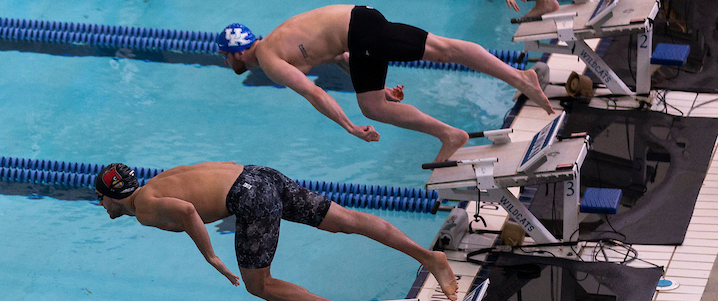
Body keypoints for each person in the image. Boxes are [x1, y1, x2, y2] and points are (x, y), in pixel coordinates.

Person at [93, 161, 458, 301]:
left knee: (259, 285)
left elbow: (189, 212)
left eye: (100, 199)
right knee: (347, 220)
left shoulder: (144, 208)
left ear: (111, 196)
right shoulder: (158, 181)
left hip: (248, 196)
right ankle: (430, 257)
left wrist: (211, 256)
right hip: (260, 175)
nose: (102, 205)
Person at [216, 7, 554, 161]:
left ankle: (516, 79)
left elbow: (313, 92)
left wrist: (349, 127)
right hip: (359, 29)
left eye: (226, 56)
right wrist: (380, 85)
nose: (227, 62)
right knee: (376, 102)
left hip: (360, 32)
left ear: (236, 53)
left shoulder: (271, 60)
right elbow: (338, 57)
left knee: (444, 49)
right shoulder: (276, 44)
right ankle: (451, 134)